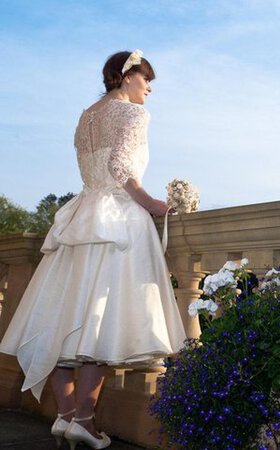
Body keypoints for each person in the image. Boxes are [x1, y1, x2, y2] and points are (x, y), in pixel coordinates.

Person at [0, 50, 187, 450]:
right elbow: (122, 168)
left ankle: (67, 417)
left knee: (64, 320)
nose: (150, 88)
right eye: (146, 79)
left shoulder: (87, 115)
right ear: (126, 77)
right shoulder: (134, 114)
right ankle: (82, 419)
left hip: (83, 215)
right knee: (102, 323)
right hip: (117, 218)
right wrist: (152, 202)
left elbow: (93, 168)